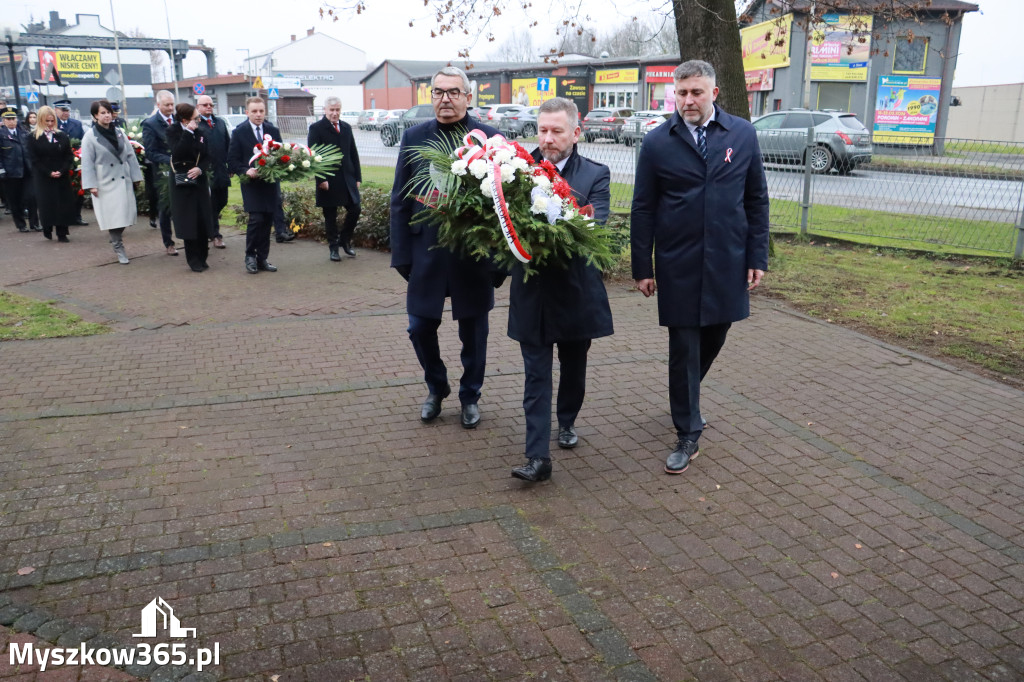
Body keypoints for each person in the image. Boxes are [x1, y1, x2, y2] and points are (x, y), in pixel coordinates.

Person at [631, 60, 769, 475]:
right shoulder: (658, 142)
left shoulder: (742, 134)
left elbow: (756, 199)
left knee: (715, 334)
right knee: (684, 346)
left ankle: (684, 396)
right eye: (682, 92)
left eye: (696, 92)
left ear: (714, 93)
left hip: (728, 259)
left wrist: (756, 256)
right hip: (679, 262)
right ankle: (687, 430)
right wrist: (643, 266)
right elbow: (643, 208)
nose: (688, 100)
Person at [508, 97, 613, 483]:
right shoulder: (513, 170)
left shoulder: (595, 175)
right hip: (532, 292)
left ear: (575, 133)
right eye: (543, 130)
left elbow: (593, 225)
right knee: (536, 375)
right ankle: (537, 457)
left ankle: (566, 419)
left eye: (557, 131)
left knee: (574, 366)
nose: (548, 139)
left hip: (575, 292)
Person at [390, 66, 501, 429]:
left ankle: (471, 395)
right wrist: (402, 255)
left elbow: (505, 205)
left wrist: (499, 264)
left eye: (453, 92)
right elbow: (399, 200)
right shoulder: (414, 137)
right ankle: (436, 388)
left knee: (474, 334)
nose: (445, 99)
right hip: (427, 255)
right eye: (438, 92)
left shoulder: (490, 138)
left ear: (468, 97)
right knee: (419, 328)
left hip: (473, 258)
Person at [80, 100, 143, 264]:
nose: (107, 115)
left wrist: (136, 176)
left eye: (108, 112)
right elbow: (87, 162)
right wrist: (90, 184)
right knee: (114, 217)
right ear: (95, 116)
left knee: (126, 215)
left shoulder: (120, 132)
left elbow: (130, 155)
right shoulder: (90, 136)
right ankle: (118, 246)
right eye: (102, 113)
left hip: (123, 178)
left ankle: (115, 239)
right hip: (105, 181)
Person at [227, 96, 282, 274]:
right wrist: (245, 170)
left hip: (269, 184)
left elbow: (281, 155)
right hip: (251, 184)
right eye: (254, 111)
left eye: (261, 111)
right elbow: (232, 161)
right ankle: (250, 256)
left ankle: (262, 258)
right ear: (247, 112)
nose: (258, 115)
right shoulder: (239, 132)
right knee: (256, 219)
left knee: (267, 220)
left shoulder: (272, 130)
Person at [307, 96, 362, 261]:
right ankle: (333, 248)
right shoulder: (316, 128)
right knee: (330, 215)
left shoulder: (346, 127)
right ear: (325, 110)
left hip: (347, 178)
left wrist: (357, 176)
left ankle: (344, 241)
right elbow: (313, 155)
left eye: (337, 110)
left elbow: (353, 153)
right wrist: (321, 179)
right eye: (332, 110)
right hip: (328, 179)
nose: (335, 113)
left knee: (355, 209)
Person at [166, 103, 213, 272]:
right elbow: (177, 152)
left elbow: (208, 156)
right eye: (195, 118)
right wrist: (188, 132)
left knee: (202, 219)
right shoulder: (173, 131)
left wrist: (201, 169)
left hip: (198, 180)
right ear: (185, 120)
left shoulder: (201, 133)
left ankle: (203, 256)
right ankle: (193, 259)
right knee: (189, 221)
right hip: (182, 182)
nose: (198, 121)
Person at [26, 106, 75, 242]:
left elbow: (68, 156)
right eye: (46, 121)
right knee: (47, 204)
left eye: (52, 121)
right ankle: (47, 227)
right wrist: (48, 172)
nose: (49, 124)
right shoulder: (32, 137)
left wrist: (62, 170)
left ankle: (62, 232)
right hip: (43, 176)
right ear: (41, 121)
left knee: (62, 203)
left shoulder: (62, 135)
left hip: (61, 174)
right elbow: (34, 159)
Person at [142, 90, 179, 256]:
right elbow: (150, 152)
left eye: (172, 104)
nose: (171, 108)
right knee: (165, 207)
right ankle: (168, 242)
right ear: (158, 105)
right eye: (167, 105)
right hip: (163, 172)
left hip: (182, 168)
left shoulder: (178, 121)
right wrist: (169, 160)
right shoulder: (150, 124)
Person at [195, 95, 229, 249]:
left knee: (223, 200)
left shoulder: (220, 123)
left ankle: (207, 223)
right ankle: (215, 235)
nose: (209, 107)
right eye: (205, 104)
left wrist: (230, 166)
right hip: (206, 172)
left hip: (221, 169)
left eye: (211, 104)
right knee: (212, 203)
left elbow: (228, 144)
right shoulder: (196, 125)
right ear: (198, 107)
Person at [0, 107, 40, 233]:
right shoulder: (1, 135)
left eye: (13, 119)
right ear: (4, 121)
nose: (11, 121)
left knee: (32, 198)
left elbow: (31, 151)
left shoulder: (24, 133)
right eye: (8, 119)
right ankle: (21, 224)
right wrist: (1, 170)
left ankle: (35, 223)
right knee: (15, 200)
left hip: (27, 171)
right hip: (10, 173)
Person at [54, 99, 88, 226]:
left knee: (78, 190)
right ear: (56, 110)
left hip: (76, 161)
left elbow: (83, 141)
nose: (66, 113)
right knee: (63, 191)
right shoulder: (53, 124)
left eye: (67, 110)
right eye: (63, 110)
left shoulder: (76, 124)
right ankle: (64, 217)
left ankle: (77, 216)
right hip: (61, 163)